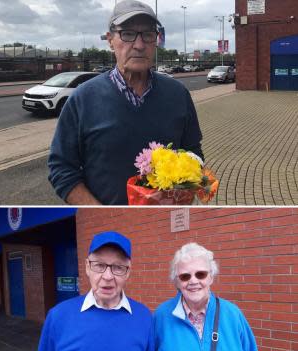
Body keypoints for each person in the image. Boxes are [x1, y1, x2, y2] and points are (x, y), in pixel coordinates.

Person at [48, 0, 204, 205]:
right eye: (128, 34)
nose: (139, 45)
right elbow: (61, 168)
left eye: (148, 34)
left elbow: (194, 153)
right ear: (110, 40)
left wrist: (184, 192)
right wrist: (101, 214)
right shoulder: (83, 98)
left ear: (156, 40)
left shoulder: (178, 94)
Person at [34, 231, 154, 351]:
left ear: (128, 272)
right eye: (99, 265)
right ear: (87, 267)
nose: (107, 276)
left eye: (118, 268)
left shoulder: (144, 317)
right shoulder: (59, 316)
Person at [152, 243, 266, 351]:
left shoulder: (233, 316)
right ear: (176, 281)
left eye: (201, 274)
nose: (193, 281)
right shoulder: (162, 316)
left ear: (211, 277)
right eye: (184, 276)